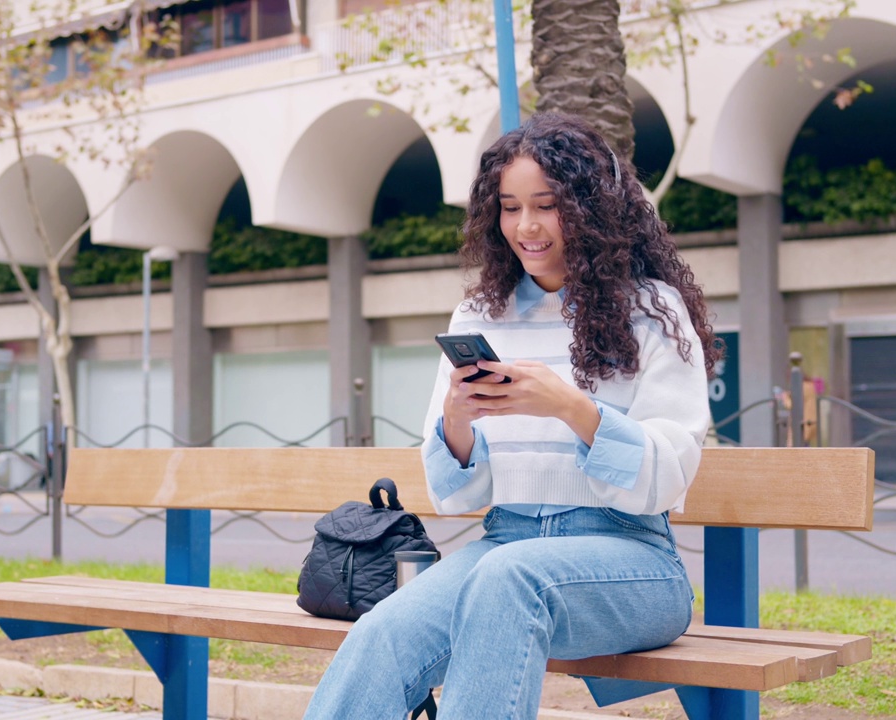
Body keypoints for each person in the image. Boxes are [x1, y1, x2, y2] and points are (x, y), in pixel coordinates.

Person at [302, 112, 721, 719]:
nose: (526, 226)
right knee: (385, 632)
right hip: (505, 543)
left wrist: (573, 409)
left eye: (546, 205)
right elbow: (457, 495)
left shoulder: (652, 308)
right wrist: (457, 422)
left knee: (509, 579)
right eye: (509, 206)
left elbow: (668, 476)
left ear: (591, 206)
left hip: (632, 563)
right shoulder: (479, 313)